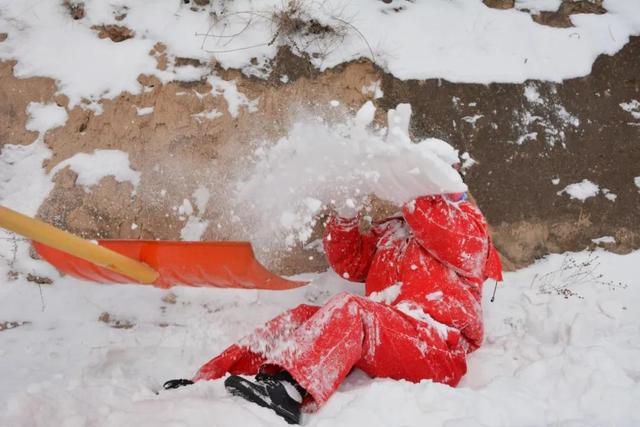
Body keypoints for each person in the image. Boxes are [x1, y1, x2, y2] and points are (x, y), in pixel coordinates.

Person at [164, 191, 502, 425]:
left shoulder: (468, 227)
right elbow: (350, 262)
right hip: (391, 332)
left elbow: (442, 229)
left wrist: (412, 189)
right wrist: (344, 216)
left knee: (352, 310)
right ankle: (210, 379)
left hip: (435, 347)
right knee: (302, 318)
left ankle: (289, 393)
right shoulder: (394, 229)